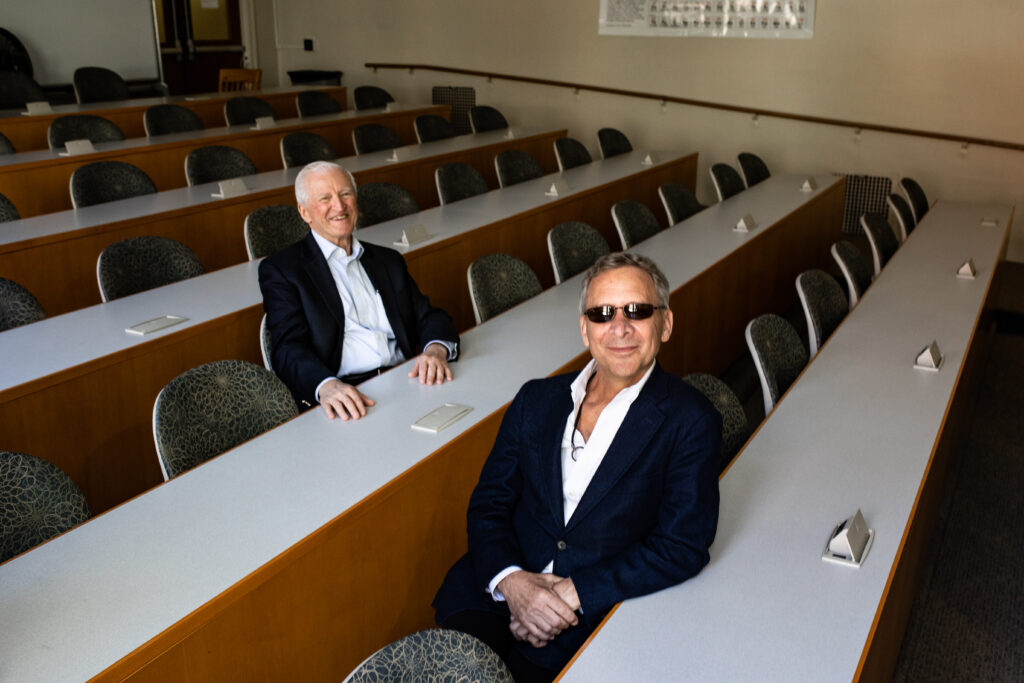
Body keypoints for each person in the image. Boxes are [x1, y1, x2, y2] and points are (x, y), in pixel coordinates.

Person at [433, 252, 721, 682]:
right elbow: (489, 506)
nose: (620, 327)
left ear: (665, 324)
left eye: (637, 311)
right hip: (494, 590)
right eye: (603, 314)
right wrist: (514, 585)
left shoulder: (691, 419)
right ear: (585, 329)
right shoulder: (536, 400)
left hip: (593, 615)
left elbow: (682, 545)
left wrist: (571, 593)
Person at [258, 161, 459, 419]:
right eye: (325, 198)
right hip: (347, 394)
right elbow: (287, 349)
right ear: (304, 212)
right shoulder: (282, 270)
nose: (339, 206)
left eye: (345, 194)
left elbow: (429, 316)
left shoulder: (387, 260)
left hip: (409, 378)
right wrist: (326, 386)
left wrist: (434, 350)